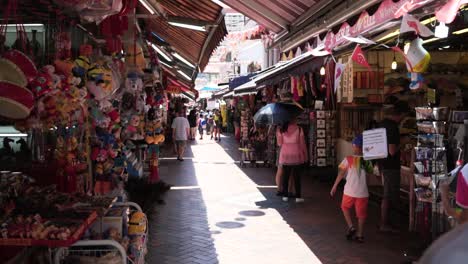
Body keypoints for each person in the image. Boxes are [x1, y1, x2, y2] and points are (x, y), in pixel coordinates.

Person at [331, 135, 373, 243]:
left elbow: (341, 174)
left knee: (344, 207)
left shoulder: (348, 159)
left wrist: (334, 186)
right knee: (361, 215)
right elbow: (370, 176)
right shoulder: (367, 161)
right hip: (363, 192)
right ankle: (360, 235)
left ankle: (351, 227)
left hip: (349, 191)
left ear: (354, 146)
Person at [378, 105, 404, 232]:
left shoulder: (380, 124)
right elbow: (392, 151)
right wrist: (403, 144)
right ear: (396, 115)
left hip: (382, 164)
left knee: (387, 195)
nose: (401, 119)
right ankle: (385, 224)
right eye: (401, 116)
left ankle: (386, 223)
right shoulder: (393, 127)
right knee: (389, 195)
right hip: (391, 166)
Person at [276, 118, 307, 203]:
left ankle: (285, 196)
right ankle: (298, 197)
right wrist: (305, 155)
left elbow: (279, 143)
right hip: (296, 153)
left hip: (285, 154)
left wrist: (278, 133)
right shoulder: (299, 129)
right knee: (297, 177)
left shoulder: (281, 129)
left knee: (285, 176)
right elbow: (302, 143)